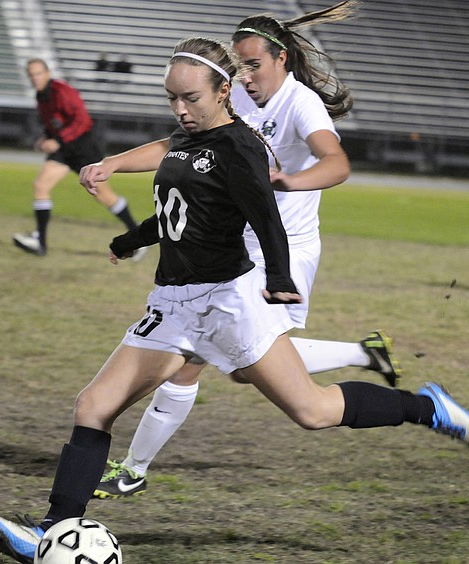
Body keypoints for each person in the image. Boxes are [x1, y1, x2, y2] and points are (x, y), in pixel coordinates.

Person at [0, 35, 469, 564]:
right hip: (173, 303)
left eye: (190, 98)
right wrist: (129, 241)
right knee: (93, 406)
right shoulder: (185, 141)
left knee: (312, 411)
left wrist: (281, 278)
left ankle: (428, 408)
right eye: (171, 98)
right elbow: (182, 214)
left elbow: (266, 215)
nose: (180, 108)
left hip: (227, 303)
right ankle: (54, 530)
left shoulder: (239, 147)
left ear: (223, 91)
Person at [92, 7, 406, 499]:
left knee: (207, 357)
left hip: (286, 248)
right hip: (236, 241)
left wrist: (289, 181)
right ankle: (363, 354)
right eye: (239, 66)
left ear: (281, 58)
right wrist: (114, 163)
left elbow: (337, 163)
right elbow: (180, 145)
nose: (245, 76)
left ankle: (132, 468)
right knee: (229, 363)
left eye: (254, 64)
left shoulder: (301, 104)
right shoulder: (232, 94)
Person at [12, 58, 143, 258]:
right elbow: (53, 124)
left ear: (47, 73)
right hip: (65, 150)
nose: (35, 78)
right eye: (31, 74)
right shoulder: (41, 96)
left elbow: (82, 120)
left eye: (38, 73)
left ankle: (139, 240)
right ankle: (40, 242)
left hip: (83, 148)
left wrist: (58, 140)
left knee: (106, 197)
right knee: (41, 186)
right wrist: (45, 139)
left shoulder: (62, 91)